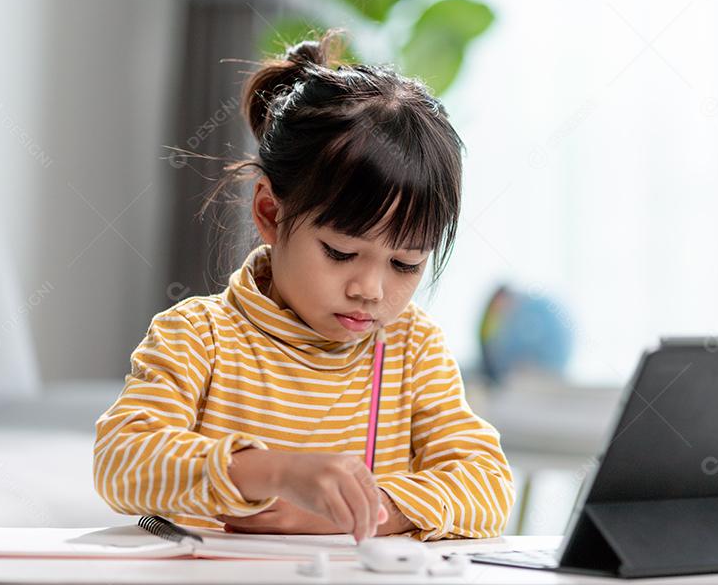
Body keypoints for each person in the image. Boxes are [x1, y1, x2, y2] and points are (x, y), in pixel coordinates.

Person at [93, 31, 514, 542]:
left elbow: (489, 486)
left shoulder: (412, 349)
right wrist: (273, 473)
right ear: (270, 212)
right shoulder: (198, 337)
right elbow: (121, 460)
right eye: (340, 253)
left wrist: (373, 509)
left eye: (405, 264)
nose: (371, 290)